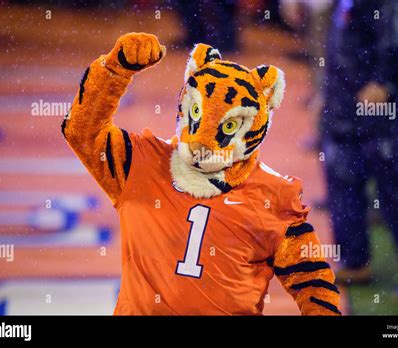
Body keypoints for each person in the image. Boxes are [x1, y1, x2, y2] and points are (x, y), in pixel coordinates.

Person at [61, 32, 341, 315]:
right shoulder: (142, 162)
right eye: (196, 112)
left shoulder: (274, 196)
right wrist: (113, 70)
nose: (202, 143)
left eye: (229, 127)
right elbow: (81, 132)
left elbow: (312, 281)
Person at [320, 0, 398, 296]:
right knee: (342, 181)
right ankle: (355, 261)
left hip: (387, 110)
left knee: (397, 189)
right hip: (347, 106)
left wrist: (383, 80)